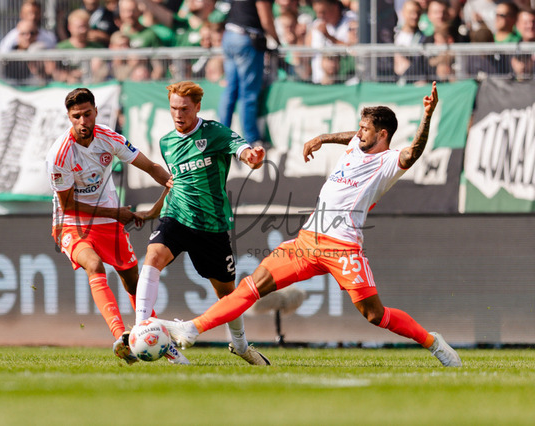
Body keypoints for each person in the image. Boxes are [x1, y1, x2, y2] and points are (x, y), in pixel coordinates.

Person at [155, 82, 463, 368]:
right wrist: (323, 138)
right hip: (308, 241)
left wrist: (427, 115)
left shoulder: (389, 162)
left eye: (365, 129)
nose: (358, 133)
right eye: (359, 127)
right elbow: (351, 136)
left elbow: (414, 150)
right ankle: (192, 328)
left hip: (343, 248)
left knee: (374, 314)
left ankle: (432, 342)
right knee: (253, 285)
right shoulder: (357, 144)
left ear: (382, 134)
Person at [133, 81, 271, 366]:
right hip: (176, 216)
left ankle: (240, 345)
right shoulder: (166, 142)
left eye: (184, 109)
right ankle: (140, 329)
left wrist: (253, 158)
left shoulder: (215, 132)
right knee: (153, 256)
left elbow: (243, 151)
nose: (178, 114)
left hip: (212, 225)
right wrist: (155, 210)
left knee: (227, 294)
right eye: (173, 108)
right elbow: (175, 182)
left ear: (197, 107)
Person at [45, 88, 172, 365]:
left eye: (87, 114)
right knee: (94, 265)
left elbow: (150, 166)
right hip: (71, 223)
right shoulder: (60, 154)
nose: (83, 121)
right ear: (69, 117)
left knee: (133, 280)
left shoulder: (108, 138)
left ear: (95, 112)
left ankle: (155, 338)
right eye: (76, 116)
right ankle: (121, 338)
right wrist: (117, 213)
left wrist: (171, 182)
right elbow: (68, 205)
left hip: (108, 220)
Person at [218, 0, 281, 146]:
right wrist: (278, 42)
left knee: (230, 90)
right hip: (247, 38)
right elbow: (266, 19)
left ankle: (221, 137)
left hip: (230, 36)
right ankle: (251, 139)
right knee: (248, 93)